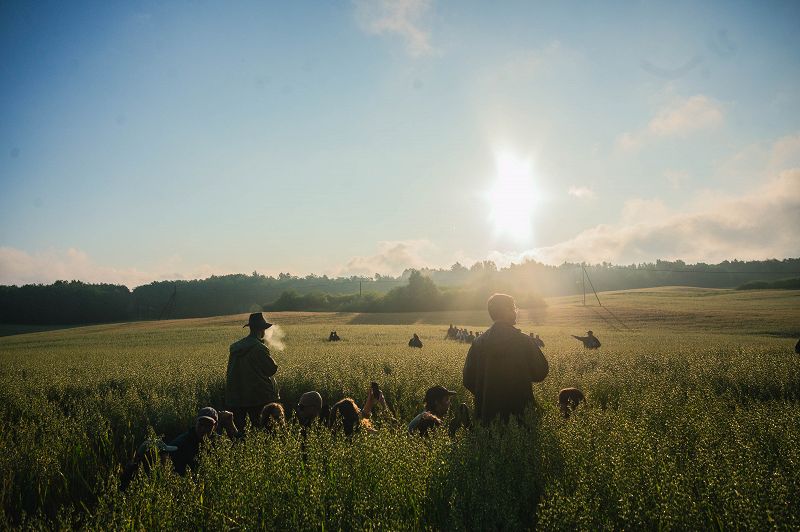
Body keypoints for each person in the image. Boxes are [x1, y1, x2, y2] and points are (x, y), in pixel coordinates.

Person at [463, 293, 549, 424]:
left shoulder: (478, 343)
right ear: (507, 311)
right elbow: (540, 372)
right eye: (514, 308)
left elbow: (468, 380)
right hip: (520, 416)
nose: (515, 312)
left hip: (487, 417)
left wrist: (487, 393)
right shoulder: (524, 341)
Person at [226, 313, 280, 432]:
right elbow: (271, 369)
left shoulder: (235, 347)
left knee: (241, 430)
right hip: (259, 397)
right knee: (263, 430)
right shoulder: (259, 347)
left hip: (237, 398)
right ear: (261, 330)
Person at [168, 407, 237, 475]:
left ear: (215, 426)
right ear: (196, 422)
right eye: (201, 424)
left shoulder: (219, 442)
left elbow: (240, 449)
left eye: (208, 425)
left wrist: (231, 424)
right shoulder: (182, 443)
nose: (203, 429)